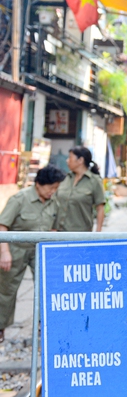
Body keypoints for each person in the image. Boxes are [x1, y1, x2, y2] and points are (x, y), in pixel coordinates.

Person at [0, 165, 66, 343]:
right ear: (38, 184)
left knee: (46, 287)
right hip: (16, 250)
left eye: (56, 188)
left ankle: (42, 326)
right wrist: (4, 252)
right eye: (50, 187)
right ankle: (1, 327)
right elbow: (2, 225)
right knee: (6, 290)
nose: (53, 191)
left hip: (39, 250)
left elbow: (54, 227)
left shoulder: (54, 202)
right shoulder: (19, 199)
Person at [55, 146, 106, 232]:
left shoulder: (94, 181)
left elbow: (100, 208)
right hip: (59, 232)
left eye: (70, 157)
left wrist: (98, 233)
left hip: (80, 233)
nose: (67, 161)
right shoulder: (66, 178)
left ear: (80, 160)